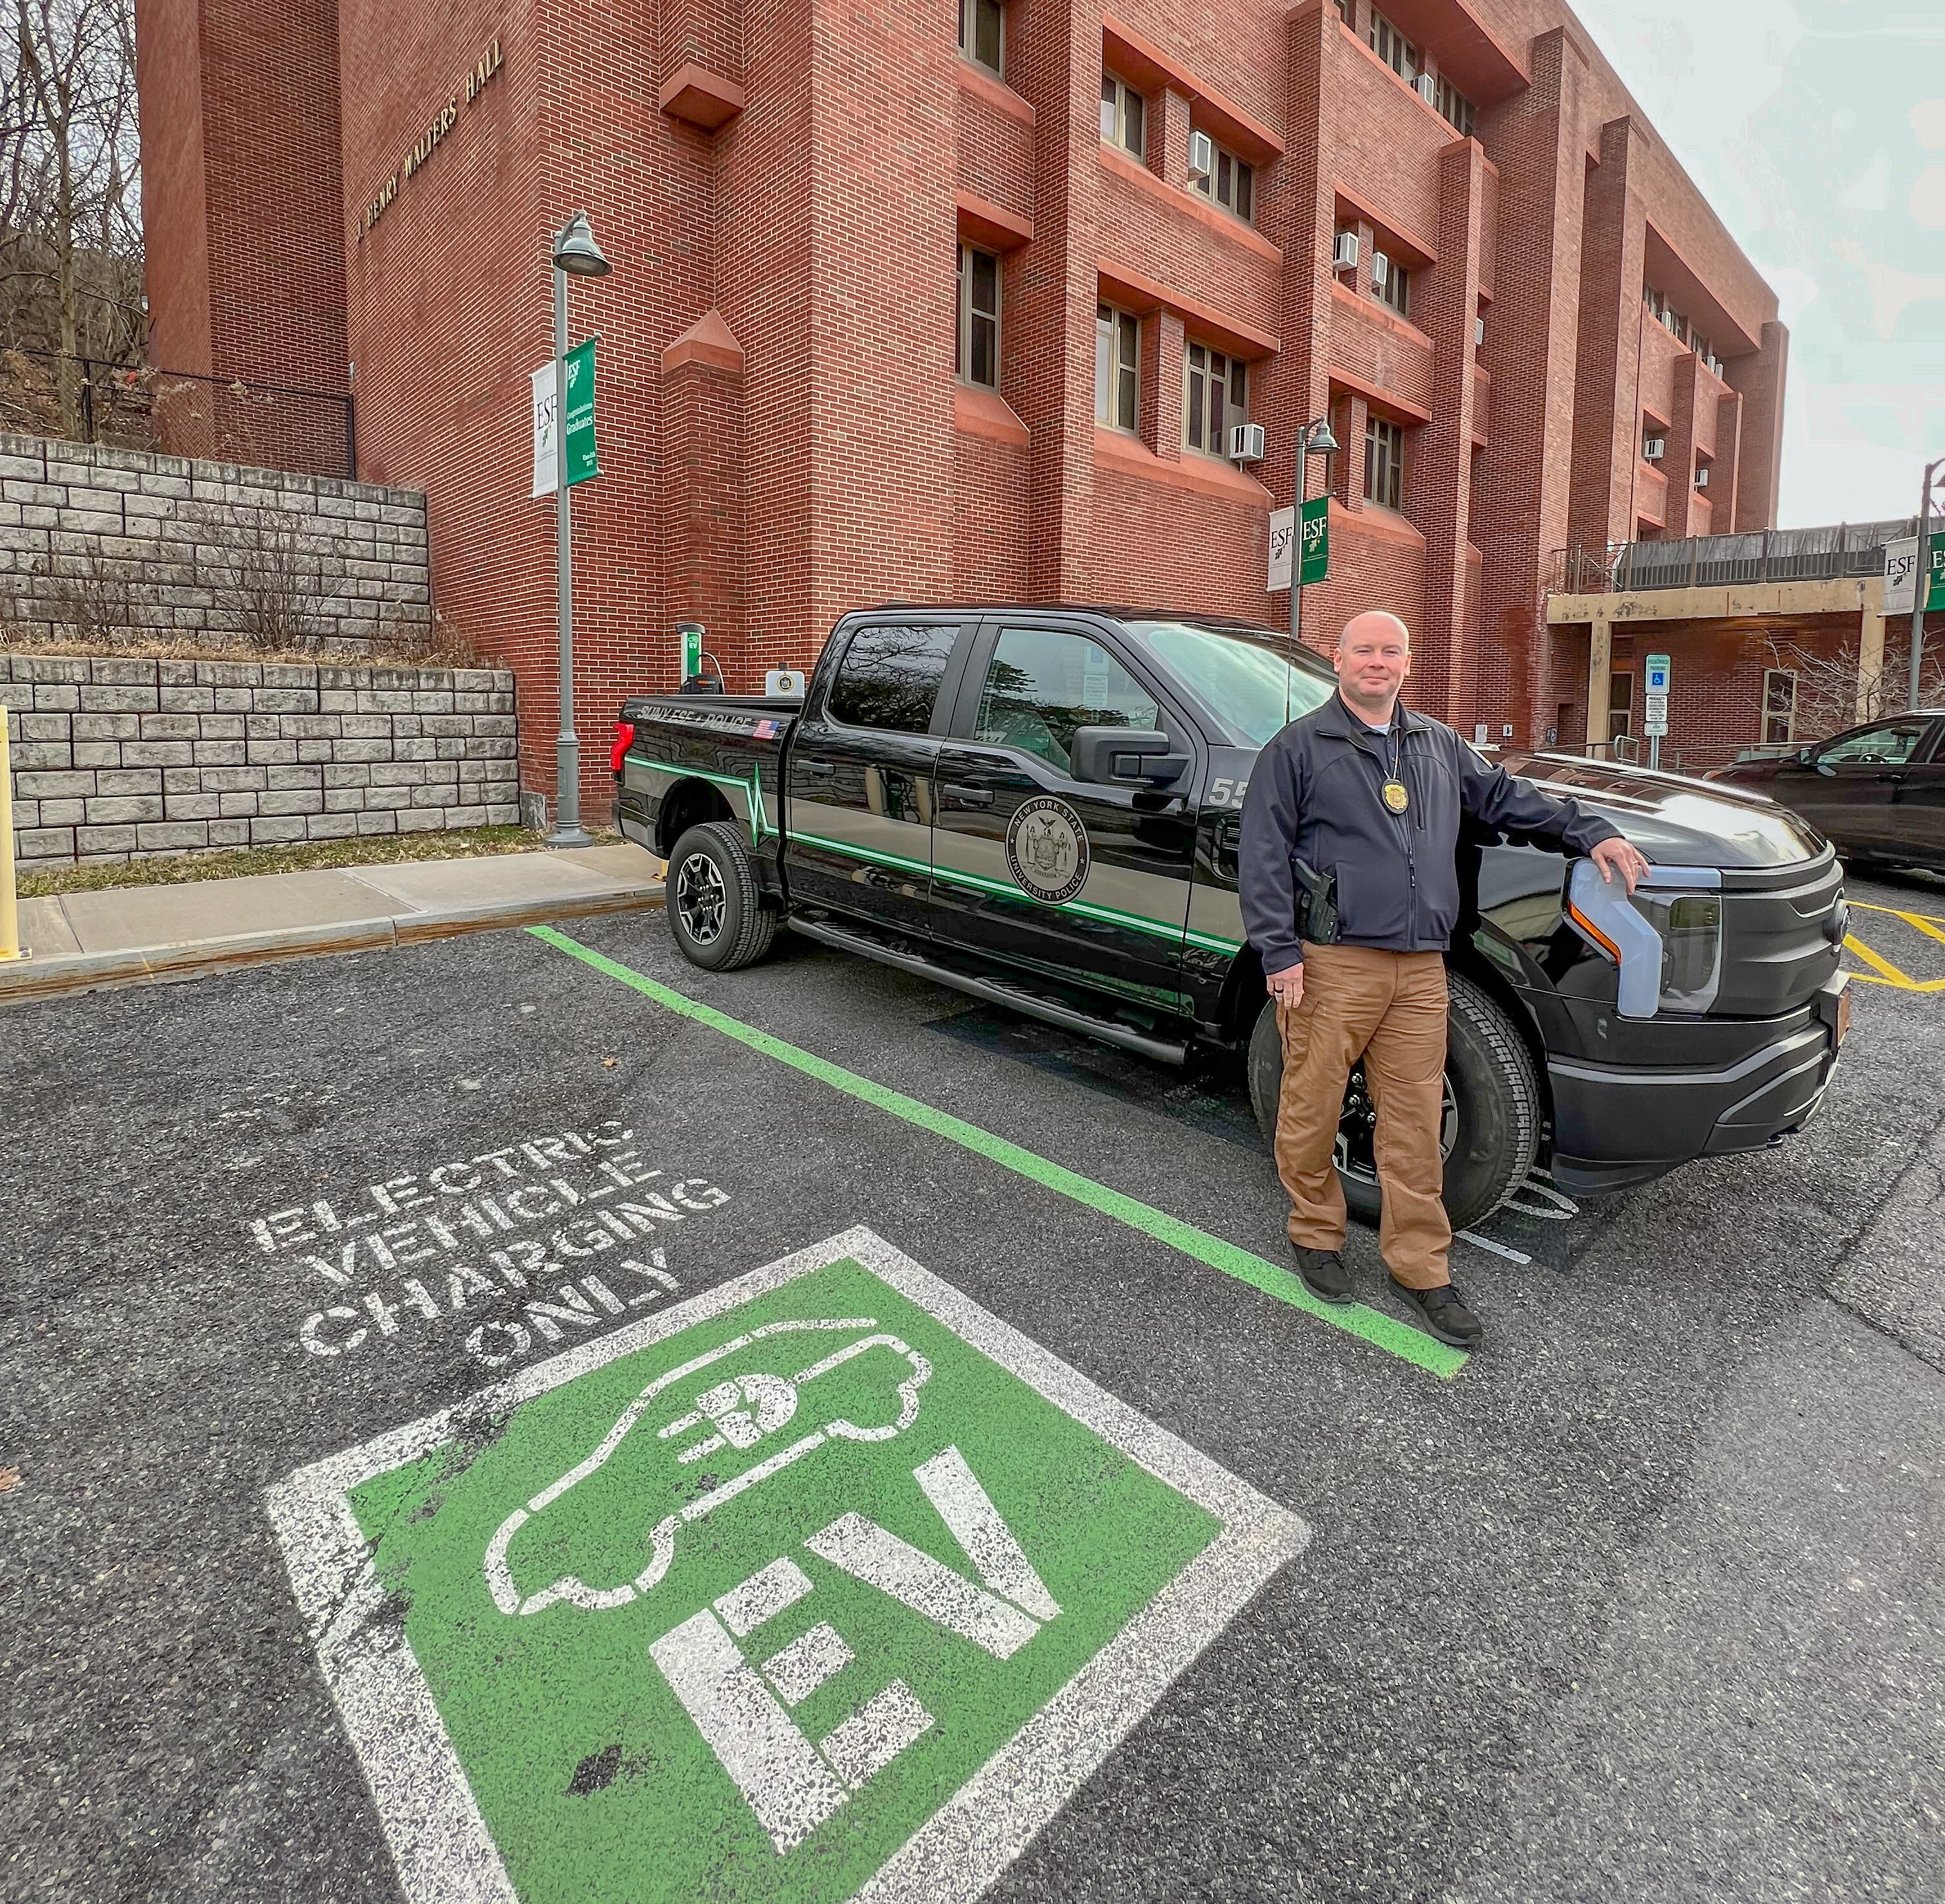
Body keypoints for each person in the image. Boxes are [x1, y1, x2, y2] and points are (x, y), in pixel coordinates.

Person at [1239, 611, 1648, 1348]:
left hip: (1421, 969)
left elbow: (1505, 799)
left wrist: (1591, 830)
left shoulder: (1436, 744)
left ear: (1406, 663)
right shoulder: (1297, 748)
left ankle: (1420, 1266)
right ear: (1337, 659)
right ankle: (1314, 1232)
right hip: (1333, 963)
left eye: (1389, 651)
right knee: (1310, 1103)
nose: (1376, 661)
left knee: (1414, 1122)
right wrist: (1278, 952)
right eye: (1362, 649)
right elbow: (1262, 854)